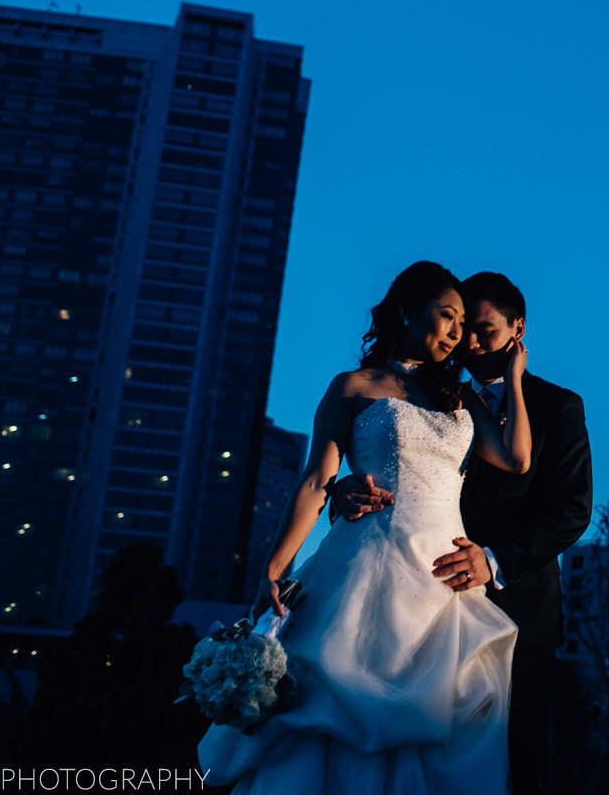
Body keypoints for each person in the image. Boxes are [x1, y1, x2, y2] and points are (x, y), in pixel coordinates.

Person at [199, 261, 531, 793]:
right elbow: (315, 479)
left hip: (443, 577)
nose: (455, 333)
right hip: (367, 562)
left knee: (442, 719)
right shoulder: (353, 386)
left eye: (462, 323)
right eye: (446, 316)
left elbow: (516, 459)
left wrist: (512, 378)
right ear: (406, 309)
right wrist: (273, 569)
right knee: (330, 711)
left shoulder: (458, 396)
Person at [336, 270, 591, 795]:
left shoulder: (558, 407)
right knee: (417, 753)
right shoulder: (428, 392)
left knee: (513, 765)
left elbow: (571, 510)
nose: (469, 343)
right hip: (423, 599)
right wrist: (343, 494)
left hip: (520, 612)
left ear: (517, 328)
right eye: (461, 327)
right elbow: (391, 466)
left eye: (486, 331)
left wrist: (492, 560)